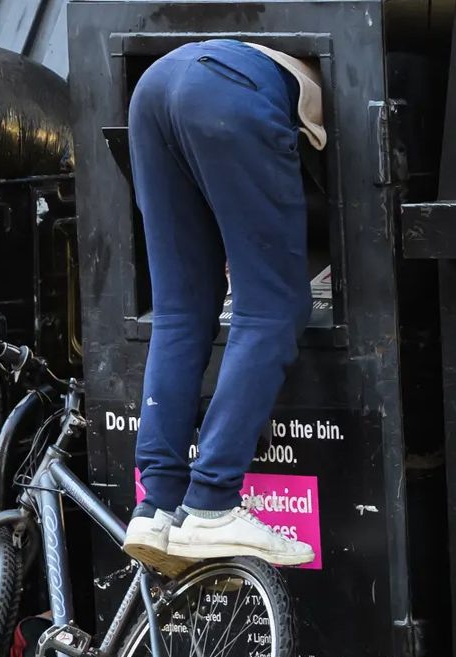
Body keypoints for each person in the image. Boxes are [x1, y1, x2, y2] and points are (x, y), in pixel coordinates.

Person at [121, 39, 323, 575]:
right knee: (273, 308)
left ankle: (158, 504)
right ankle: (211, 502)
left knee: (179, 312)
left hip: (153, 88)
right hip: (231, 90)